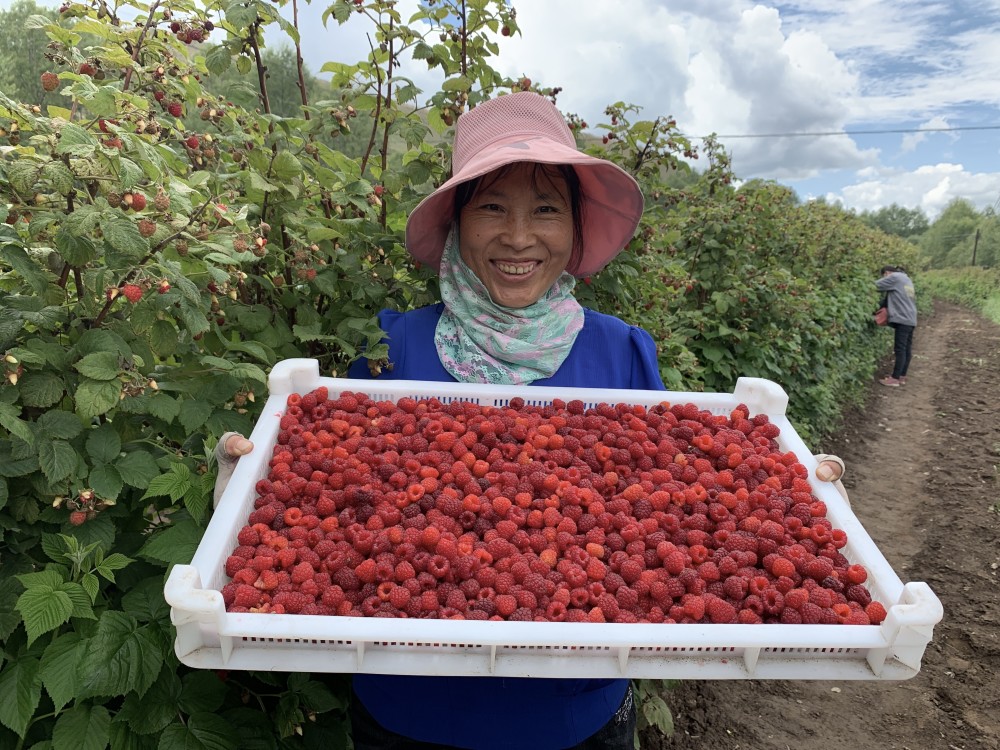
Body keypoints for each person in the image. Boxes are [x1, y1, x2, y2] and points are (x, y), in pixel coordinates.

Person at [215, 91, 850, 750]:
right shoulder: (390, 349)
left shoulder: (622, 352)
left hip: (576, 719)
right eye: (492, 207)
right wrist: (249, 488)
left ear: (575, 228)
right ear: (458, 222)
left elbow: (689, 500)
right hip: (408, 715)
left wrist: (800, 502)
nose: (518, 237)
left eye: (545, 209)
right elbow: (334, 491)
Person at [875, 264, 917, 387]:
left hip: (902, 318)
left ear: (887, 273)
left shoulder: (895, 277)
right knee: (906, 349)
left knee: (900, 349)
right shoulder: (906, 279)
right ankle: (902, 376)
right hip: (911, 318)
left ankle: (894, 379)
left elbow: (873, 285)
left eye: (884, 276)